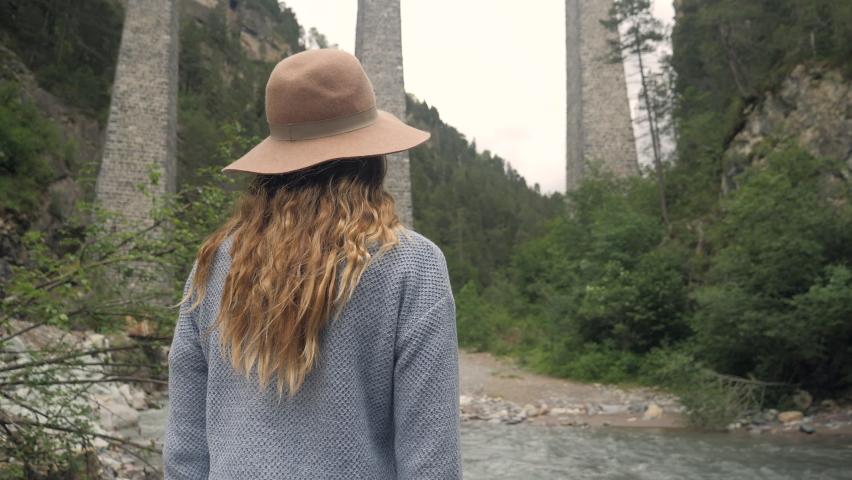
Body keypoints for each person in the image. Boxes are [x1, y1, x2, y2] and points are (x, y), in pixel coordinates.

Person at [163, 49, 462, 479]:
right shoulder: (413, 268)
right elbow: (431, 463)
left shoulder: (215, 265)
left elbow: (185, 453)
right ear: (371, 157)